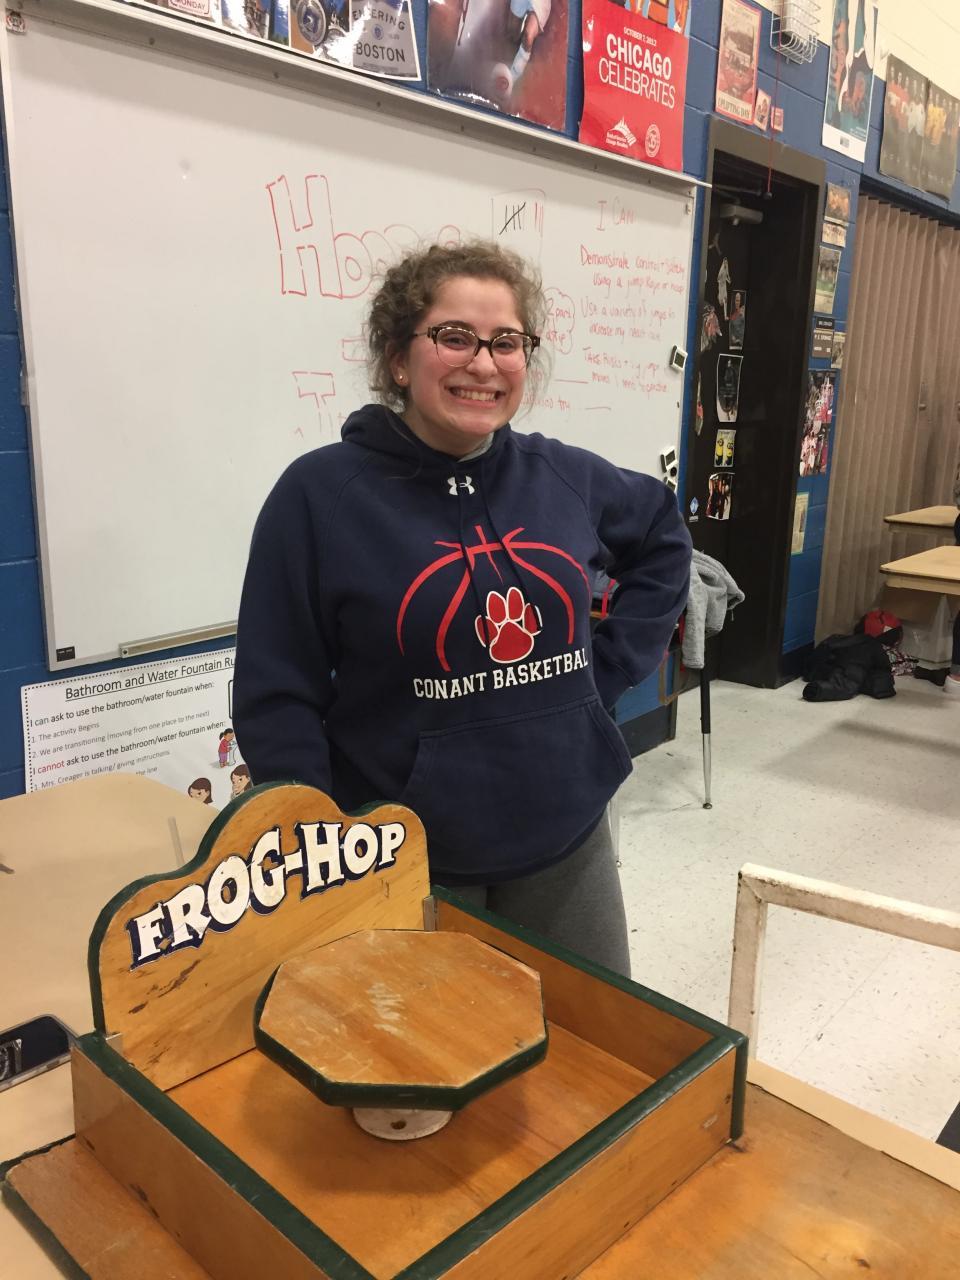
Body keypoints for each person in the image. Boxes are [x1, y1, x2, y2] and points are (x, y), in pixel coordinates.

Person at [233, 240, 692, 976]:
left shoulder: (563, 476)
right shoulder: (319, 497)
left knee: (592, 1033)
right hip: (404, 854)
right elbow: (276, 691)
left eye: (506, 342)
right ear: (397, 358)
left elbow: (663, 536)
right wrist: (322, 847)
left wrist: (600, 680)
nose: (484, 364)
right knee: (427, 1048)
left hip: (566, 837)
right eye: (455, 337)